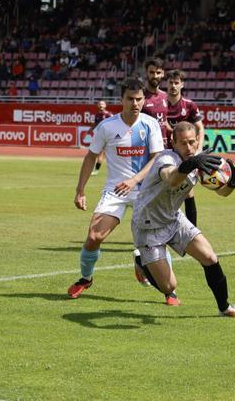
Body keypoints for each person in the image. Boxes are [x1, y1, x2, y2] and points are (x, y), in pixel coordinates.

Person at [68, 77, 179, 305]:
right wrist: (80, 189)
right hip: (115, 191)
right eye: (130, 99)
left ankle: (169, 291)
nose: (135, 103)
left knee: (157, 240)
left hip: (147, 191)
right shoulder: (107, 126)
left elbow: (158, 158)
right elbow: (90, 157)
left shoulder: (150, 125)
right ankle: (86, 278)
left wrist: (135, 179)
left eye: (139, 99)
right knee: (93, 237)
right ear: (121, 99)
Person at [132, 121, 235, 319]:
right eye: (183, 143)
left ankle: (225, 308)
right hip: (148, 226)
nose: (188, 148)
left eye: (192, 142)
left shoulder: (199, 162)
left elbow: (222, 193)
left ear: (198, 140)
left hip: (173, 219)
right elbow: (171, 178)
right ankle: (141, 261)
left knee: (209, 257)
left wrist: (232, 182)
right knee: (169, 286)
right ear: (174, 143)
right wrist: (190, 164)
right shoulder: (166, 158)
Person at [164, 69, 205, 226]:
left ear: (182, 84)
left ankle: (192, 231)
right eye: (170, 82)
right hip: (164, 154)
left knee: (187, 191)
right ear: (166, 84)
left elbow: (200, 128)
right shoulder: (161, 103)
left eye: (176, 82)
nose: (173, 86)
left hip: (184, 155)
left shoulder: (189, 105)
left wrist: (198, 150)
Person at [89, 100, 113, 176]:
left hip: (107, 137)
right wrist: (89, 131)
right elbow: (95, 124)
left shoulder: (109, 115)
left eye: (102, 104)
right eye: (99, 104)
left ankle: (96, 170)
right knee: (99, 154)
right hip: (100, 136)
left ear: (105, 105)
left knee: (100, 154)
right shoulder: (97, 115)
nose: (101, 105)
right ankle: (96, 169)